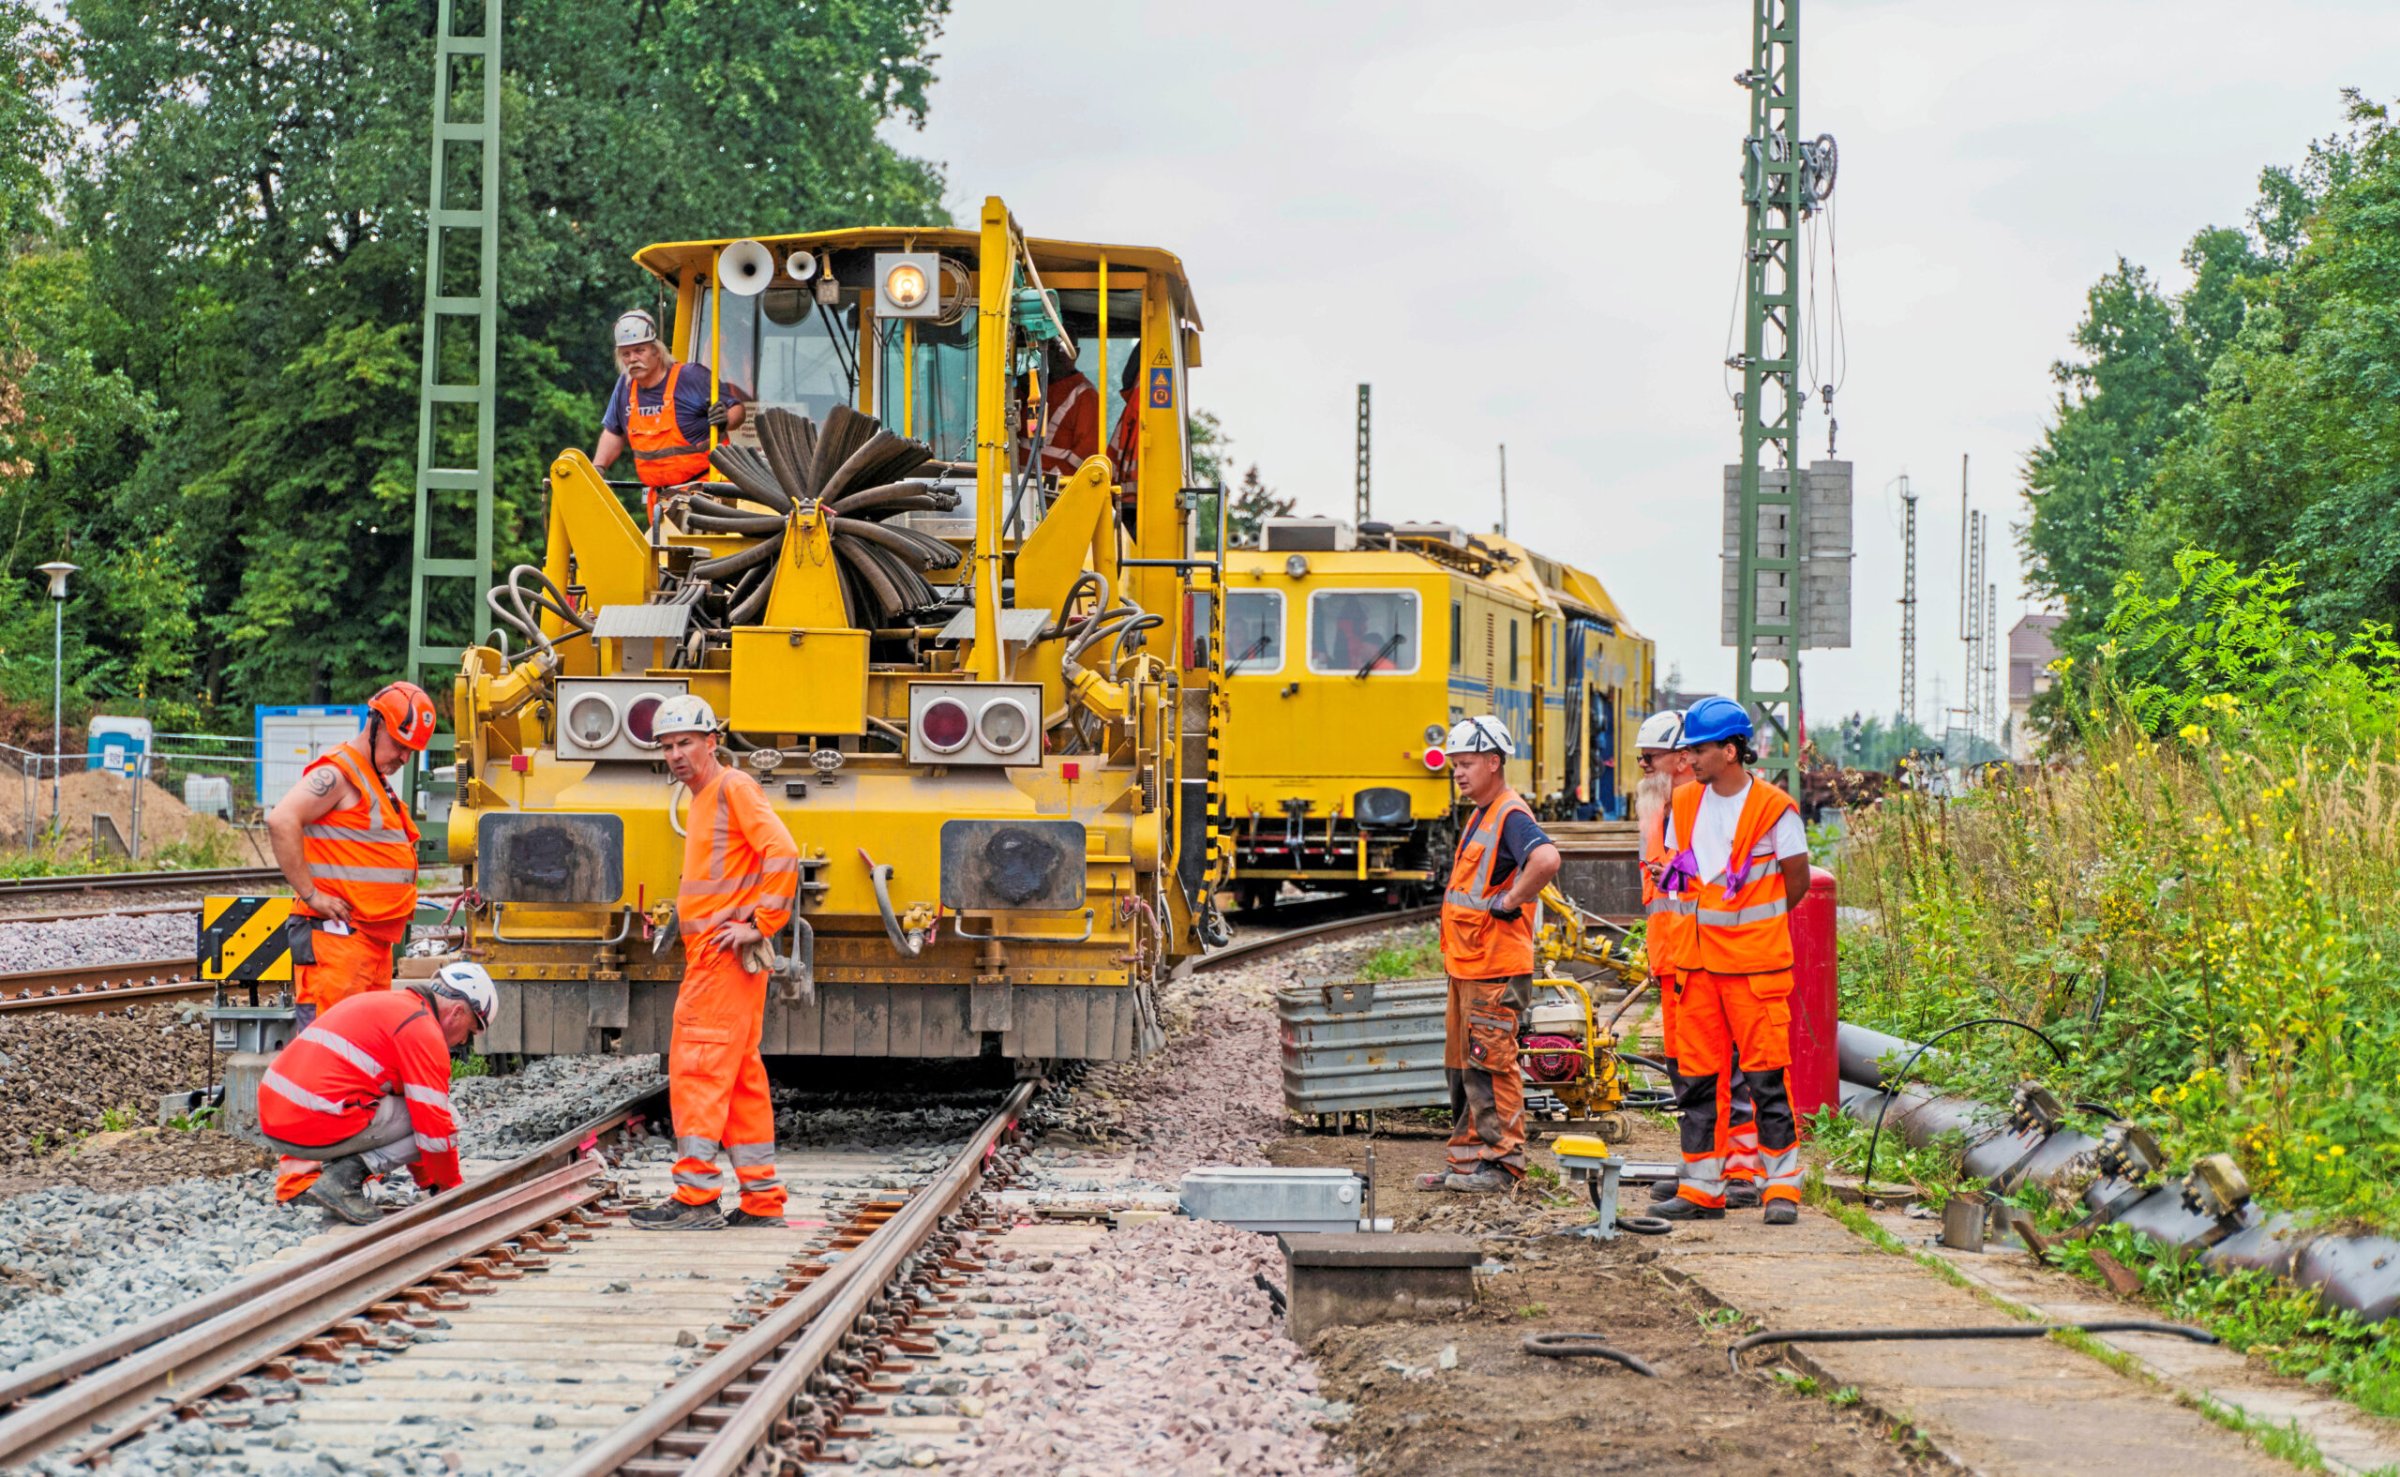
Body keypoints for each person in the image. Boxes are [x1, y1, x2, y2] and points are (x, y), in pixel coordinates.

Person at [630, 694, 800, 1232]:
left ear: (712, 742)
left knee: (698, 1069)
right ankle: (762, 1199)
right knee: (741, 1077)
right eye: (667, 746)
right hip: (724, 961)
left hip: (720, 959)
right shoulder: (706, 797)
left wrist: (761, 924)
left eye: (686, 743)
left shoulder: (732, 788)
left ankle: (696, 1197)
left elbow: (784, 852)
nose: (676, 755)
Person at [1651, 696, 1812, 1225]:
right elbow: (1682, 873)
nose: (1689, 759)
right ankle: (1702, 1189)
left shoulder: (1774, 809)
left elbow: (1796, 881)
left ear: (1730, 750)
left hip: (1754, 969)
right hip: (1696, 968)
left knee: (1766, 1081)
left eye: (1698, 750)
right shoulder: (1684, 804)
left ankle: (1780, 1187)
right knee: (1698, 1083)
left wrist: (1752, 926)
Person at [1421, 714, 1561, 1193]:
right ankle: (1467, 1163)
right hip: (1468, 965)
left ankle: (1504, 1165)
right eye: (1455, 765)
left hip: (1495, 968)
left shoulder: (1510, 815)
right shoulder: (1482, 813)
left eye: (1467, 764)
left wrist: (1511, 900)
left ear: (1494, 762)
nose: (1458, 773)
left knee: (1491, 1064)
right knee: (1462, 1068)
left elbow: (1546, 859)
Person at [260, 963, 496, 1223]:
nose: (463, 1041)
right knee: (448, 1116)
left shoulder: (395, 1006)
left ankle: (323, 1183)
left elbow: (411, 1109)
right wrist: (452, 1190)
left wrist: (429, 1183)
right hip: (312, 1121)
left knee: (411, 1110)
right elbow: (433, 1126)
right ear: (457, 1012)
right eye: (470, 1032)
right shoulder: (422, 1030)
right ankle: (341, 1182)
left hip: (276, 1118)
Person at [265, 682, 435, 1023]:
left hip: (367, 944)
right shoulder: (339, 773)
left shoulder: (372, 778)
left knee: (363, 1046)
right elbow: (281, 820)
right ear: (376, 725)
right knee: (330, 1045)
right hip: (338, 944)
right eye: (400, 745)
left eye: (411, 751)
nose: (405, 758)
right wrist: (311, 895)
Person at [592, 309, 748, 502]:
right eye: (626, 354)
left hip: (707, 494)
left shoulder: (691, 377)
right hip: (660, 499)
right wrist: (598, 468)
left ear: (656, 350)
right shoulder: (625, 386)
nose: (632, 359)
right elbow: (614, 432)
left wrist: (726, 419)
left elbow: (738, 410)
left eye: (639, 351)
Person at [1034, 341, 1099, 477]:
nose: (1058, 355)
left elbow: (1086, 452)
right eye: (1053, 348)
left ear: (1077, 353)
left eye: (1064, 349)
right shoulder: (1033, 386)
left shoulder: (1086, 396)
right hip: (1014, 481)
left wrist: (1053, 481)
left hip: (1051, 486)